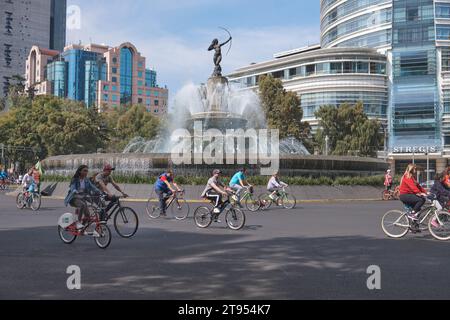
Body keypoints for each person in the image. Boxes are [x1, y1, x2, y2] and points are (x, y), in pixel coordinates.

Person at [64, 165, 102, 230]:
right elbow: (72, 187)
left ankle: (82, 228)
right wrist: (75, 191)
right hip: (74, 198)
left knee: (87, 216)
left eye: (87, 171)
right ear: (80, 171)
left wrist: (100, 192)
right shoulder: (75, 179)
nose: (86, 172)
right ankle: (78, 223)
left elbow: (93, 187)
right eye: (84, 171)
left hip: (82, 198)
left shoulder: (86, 180)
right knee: (82, 205)